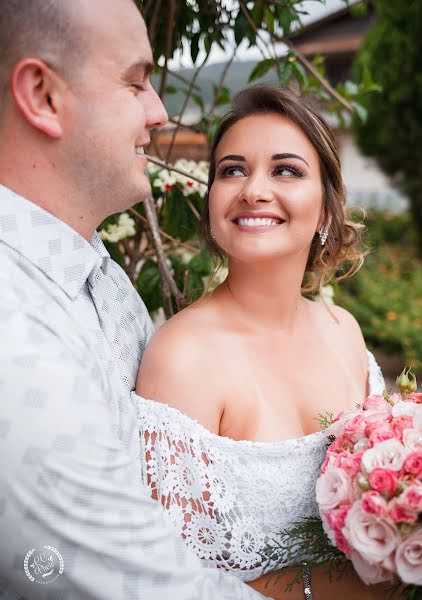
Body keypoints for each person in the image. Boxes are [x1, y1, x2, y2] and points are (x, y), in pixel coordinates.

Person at [0, 1, 269, 598]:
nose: (160, 111)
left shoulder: (88, 263)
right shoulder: (13, 331)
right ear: (42, 96)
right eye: (136, 81)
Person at [135, 84, 388, 599]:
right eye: (232, 170)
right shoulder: (183, 358)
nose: (253, 189)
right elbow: (169, 580)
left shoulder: (345, 332)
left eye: (286, 170)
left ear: (325, 212)